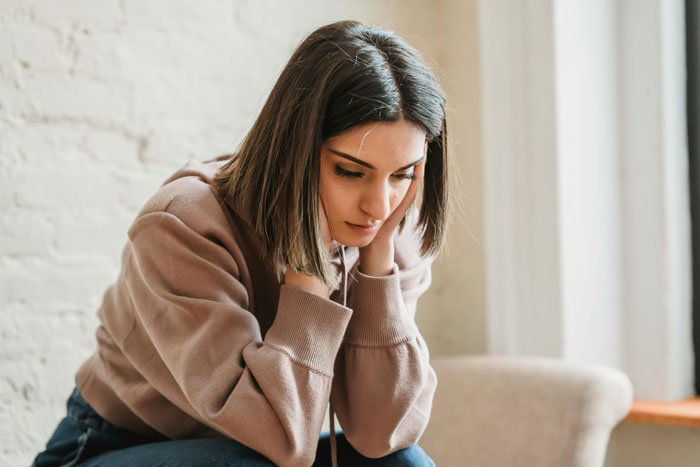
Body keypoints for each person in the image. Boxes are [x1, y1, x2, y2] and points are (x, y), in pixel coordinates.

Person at [31, 19, 448, 467]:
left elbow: (382, 434)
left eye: (403, 174)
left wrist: (379, 268)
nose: (380, 206)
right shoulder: (182, 227)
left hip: (263, 449)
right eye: (350, 171)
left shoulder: (387, 236)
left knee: (406, 464)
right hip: (112, 445)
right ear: (294, 148)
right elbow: (280, 440)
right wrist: (307, 269)